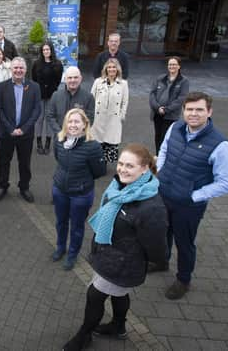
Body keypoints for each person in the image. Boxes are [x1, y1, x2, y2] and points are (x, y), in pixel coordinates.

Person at [62, 144, 167, 350]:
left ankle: (84, 335)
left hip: (124, 263)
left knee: (94, 295)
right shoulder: (120, 186)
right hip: (109, 256)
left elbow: (156, 246)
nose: (122, 169)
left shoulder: (151, 206)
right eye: (120, 164)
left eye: (130, 166)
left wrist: (147, 261)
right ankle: (118, 326)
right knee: (119, 294)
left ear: (144, 168)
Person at [155, 92, 228, 300]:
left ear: (209, 112)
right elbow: (163, 150)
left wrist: (194, 196)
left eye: (199, 109)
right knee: (163, 232)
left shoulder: (222, 146)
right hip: (164, 194)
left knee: (184, 243)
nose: (193, 114)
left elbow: (226, 183)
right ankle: (162, 261)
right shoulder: (175, 128)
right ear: (183, 111)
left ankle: (183, 280)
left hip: (188, 206)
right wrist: (160, 173)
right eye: (189, 109)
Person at [52, 108, 106, 271]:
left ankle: (72, 254)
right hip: (60, 190)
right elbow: (58, 159)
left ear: (85, 125)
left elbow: (99, 171)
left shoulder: (93, 146)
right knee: (60, 222)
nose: (73, 125)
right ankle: (60, 248)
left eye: (77, 121)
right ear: (65, 124)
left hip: (81, 194)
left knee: (76, 226)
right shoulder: (59, 140)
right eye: (70, 121)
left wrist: (81, 181)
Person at [0, 57, 41, 203]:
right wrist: (11, 128)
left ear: (26, 70)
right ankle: (3, 186)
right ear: (11, 69)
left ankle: (24, 187)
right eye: (15, 68)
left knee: (25, 163)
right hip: (6, 133)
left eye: (21, 68)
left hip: (26, 134)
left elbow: (36, 110)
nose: (18, 70)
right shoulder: (1, 87)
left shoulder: (34, 87)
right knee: (4, 161)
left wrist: (23, 129)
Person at [90, 58, 129, 163]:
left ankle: (104, 164)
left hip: (113, 119)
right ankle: (96, 164)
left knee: (109, 143)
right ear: (106, 69)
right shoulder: (98, 82)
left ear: (117, 69)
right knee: (96, 144)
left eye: (114, 67)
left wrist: (121, 116)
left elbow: (124, 102)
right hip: (98, 119)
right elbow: (91, 99)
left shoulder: (123, 84)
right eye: (109, 67)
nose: (111, 69)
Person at [149, 56, 189, 154]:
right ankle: (158, 156)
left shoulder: (183, 81)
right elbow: (152, 94)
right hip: (157, 113)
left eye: (174, 64)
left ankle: (165, 157)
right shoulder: (160, 78)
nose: (172, 66)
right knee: (158, 136)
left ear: (179, 66)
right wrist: (158, 107)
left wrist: (166, 109)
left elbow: (181, 99)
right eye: (170, 64)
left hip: (170, 116)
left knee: (165, 137)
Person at [45, 66, 95, 146]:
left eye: (75, 77)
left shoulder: (89, 97)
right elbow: (50, 116)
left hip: (80, 141)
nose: (73, 80)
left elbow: (90, 119)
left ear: (80, 78)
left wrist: (77, 133)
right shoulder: (56, 95)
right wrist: (60, 132)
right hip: (59, 139)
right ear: (65, 79)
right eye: (70, 78)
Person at [31, 41, 63, 155]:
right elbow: (34, 79)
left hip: (51, 96)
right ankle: (39, 142)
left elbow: (58, 80)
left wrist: (51, 88)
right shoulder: (36, 64)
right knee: (39, 119)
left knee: (49, 119)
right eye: (44, 50)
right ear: (41, 51)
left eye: (48, 49)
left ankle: (48, 142)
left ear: (51, 50)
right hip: (39, 95)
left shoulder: (58, 64)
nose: (46, 52)